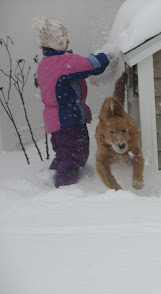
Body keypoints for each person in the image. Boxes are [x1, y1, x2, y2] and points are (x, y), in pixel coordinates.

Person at [32, 16, 110, 188]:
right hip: (68, 119)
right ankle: (66, 191)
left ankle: (50, 180)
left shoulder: (45, 63)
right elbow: (93, 65)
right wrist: (107, 54)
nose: (68, 40)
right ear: (56, 41)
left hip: (56, 120)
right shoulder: (63, 62)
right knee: (74, 156)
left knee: (63, 154)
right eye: (64, 37)